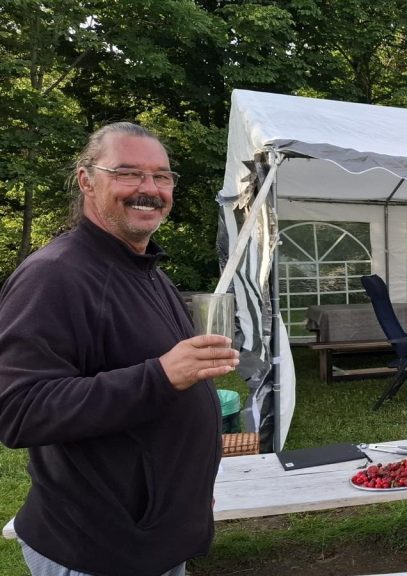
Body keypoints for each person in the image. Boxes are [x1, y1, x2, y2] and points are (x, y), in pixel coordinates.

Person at [0, 122, 240, 576]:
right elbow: (18, 411)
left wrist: (185, 490)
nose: (149, 189)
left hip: (155, 535)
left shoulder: (146, 271)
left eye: (161, 176)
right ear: (86, 180)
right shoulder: (55, 275)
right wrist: (160, 375)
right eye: (128, 173)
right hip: (98, 549)